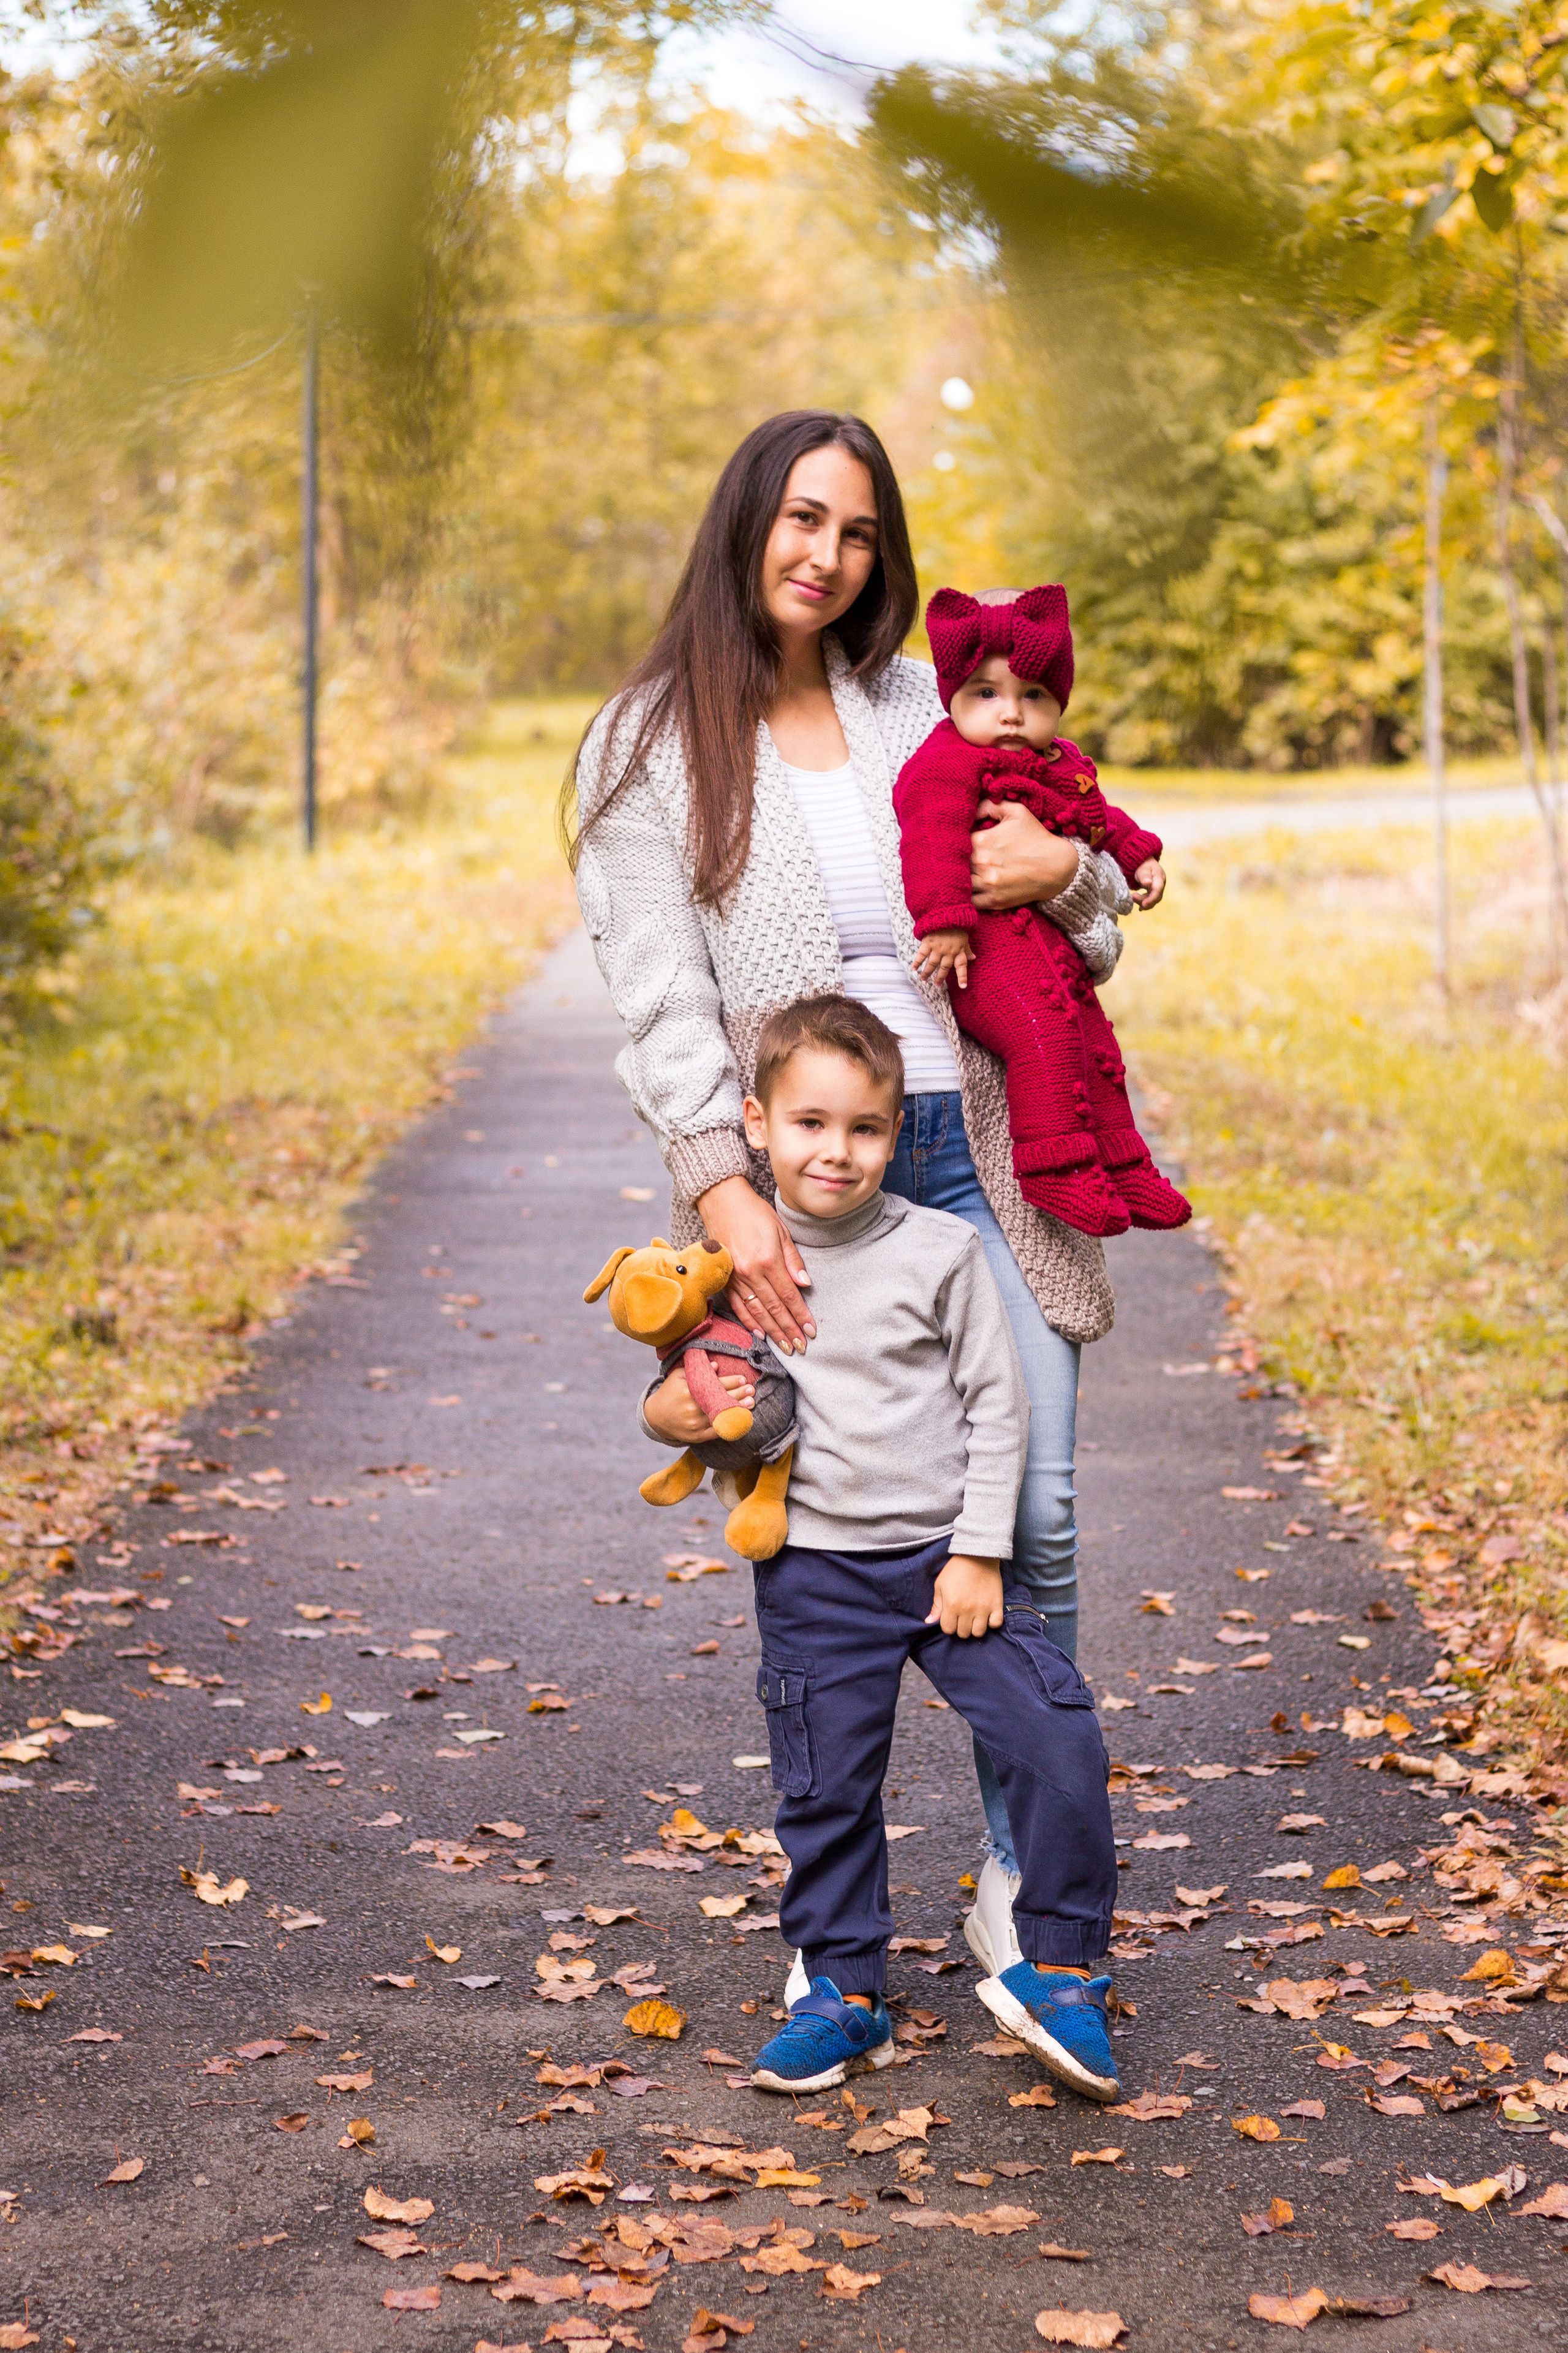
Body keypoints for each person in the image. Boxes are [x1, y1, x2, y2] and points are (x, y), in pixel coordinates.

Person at [570, 408, 1128, 1995]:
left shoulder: (924, 708)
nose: (828, 552)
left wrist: (1065, 880)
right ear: (750, 518)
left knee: (1045, 1521)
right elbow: (664, 1001)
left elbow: (1088, 910)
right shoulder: (649, 742)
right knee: (822, 1541)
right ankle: (839, 1936)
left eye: (862, 530)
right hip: (814, 1189)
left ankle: (1028, 1883)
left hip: (996, 1157)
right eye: (805, 517)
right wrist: (720, 1184)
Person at [642, 994, 1120, 2098]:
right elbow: (690, 1395)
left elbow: (1001, 1410)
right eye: (810, 1124)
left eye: (864, 1128)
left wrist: (978, 1552)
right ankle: (843, 1991)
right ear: (756, 1125)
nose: (837, 1151)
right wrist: (662, 1417)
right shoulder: (729, 1263)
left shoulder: (943, 1250)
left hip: (946, 1564)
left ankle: (1059, 1969)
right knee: (827, 1785)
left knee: (1058, 1736)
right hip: (815, 1573)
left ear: (897, 1135)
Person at [895, 583, 1191, 1238]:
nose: (1011, 714)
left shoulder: (1062, 764)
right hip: (986, 953)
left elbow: (1096, 817)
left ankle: (1123, 1159)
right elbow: (929, 835)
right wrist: (943, 919)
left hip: (1052, 950)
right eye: (987, 693)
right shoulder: (944, 762)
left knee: (1097, 1046)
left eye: (1033, 696)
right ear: (953, 698)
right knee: (1043, 1037)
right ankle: (1053, 1168)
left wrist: (1137, 853)